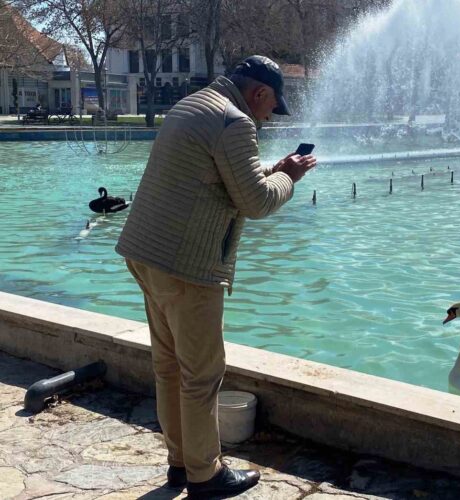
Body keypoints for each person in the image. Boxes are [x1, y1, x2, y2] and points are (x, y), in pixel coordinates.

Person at [115, 55, 316, 498]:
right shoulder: (235, 122)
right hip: (187, 264)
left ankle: (180, 463)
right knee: (203, 374)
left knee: (169, 367)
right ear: (259, 93)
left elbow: (223, 178)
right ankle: (205, 475)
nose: (268, 117)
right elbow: (256, 203)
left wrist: (274, 169)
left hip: (146, 253)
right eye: (271, 107)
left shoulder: (193, 105)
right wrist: (292, 179)